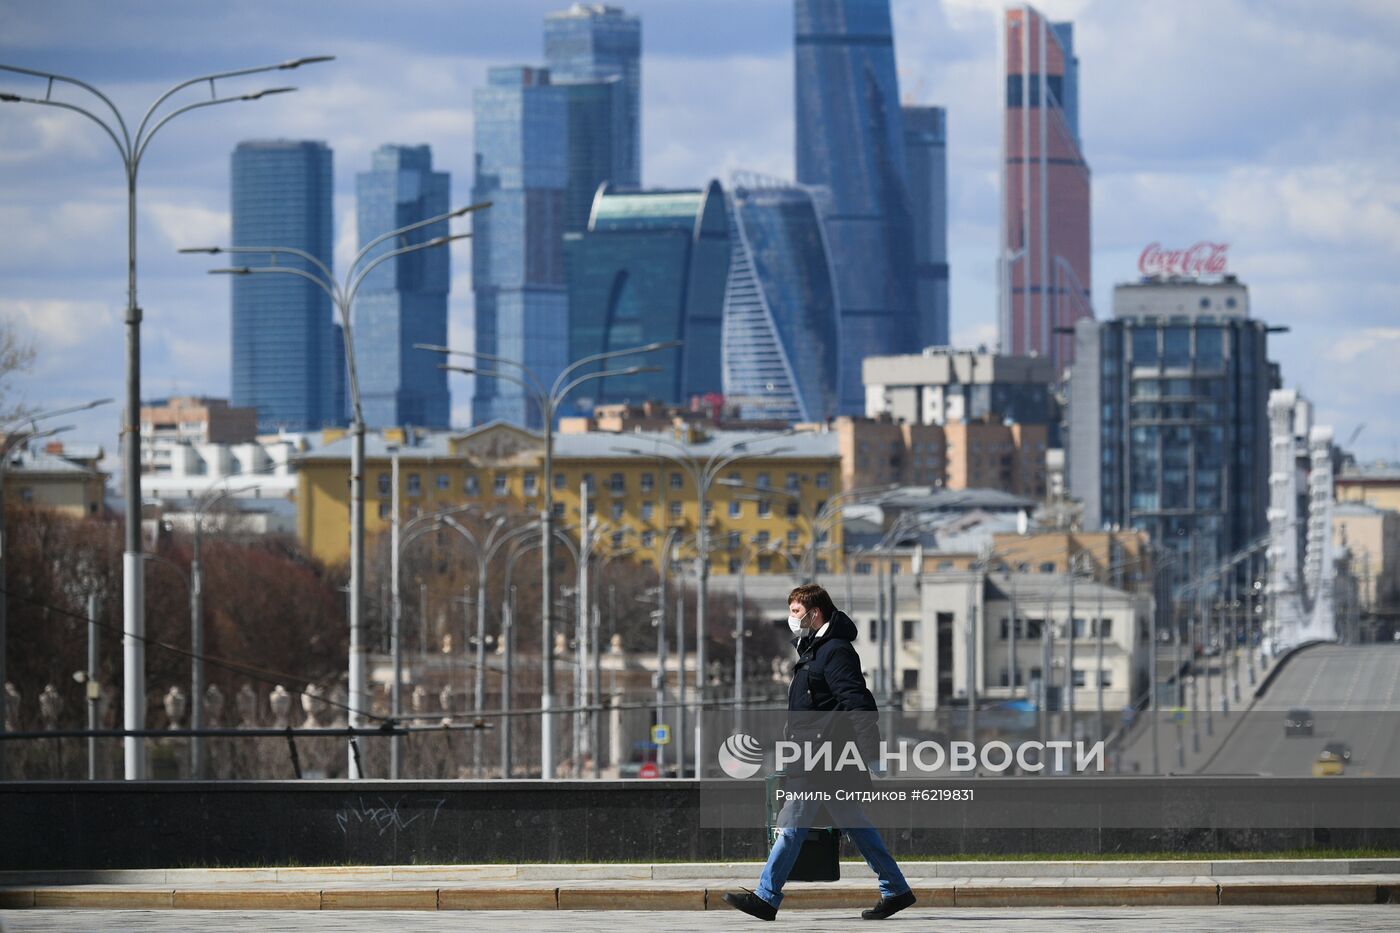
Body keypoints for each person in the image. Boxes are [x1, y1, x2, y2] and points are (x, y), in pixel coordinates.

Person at [721, 583, 916, 922]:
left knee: (792, 823)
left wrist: (871, 753)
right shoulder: (813, 650)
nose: (791, 619)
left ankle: (767, 897)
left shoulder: (835, 651)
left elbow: (858, 702)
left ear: (815, 613)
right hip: (815, 755)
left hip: (824, 757)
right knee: (855, 824)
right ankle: (896, 889)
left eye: (796, 612)